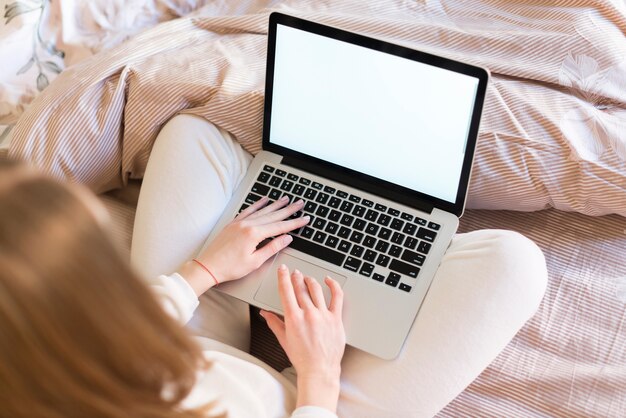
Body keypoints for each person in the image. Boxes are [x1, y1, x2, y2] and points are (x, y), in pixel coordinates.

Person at [0, 114, 548, 418]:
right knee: (516, 264)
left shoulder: (39, 359)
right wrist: (319, 376)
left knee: (192, 139)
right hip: (301, 404)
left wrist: (203, 272)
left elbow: (114, 335)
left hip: (178, 353)